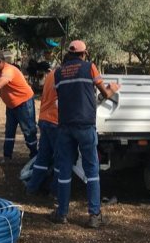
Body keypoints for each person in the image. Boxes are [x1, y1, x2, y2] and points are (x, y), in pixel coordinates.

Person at [50, 40, 120, 228]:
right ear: (84, 53)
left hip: (65, 126)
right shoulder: (90, 67)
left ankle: (62, 213)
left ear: (70, 54)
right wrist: (113, 88)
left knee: (64, 169)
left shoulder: (58, 72)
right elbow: (104, 94)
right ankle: (94, 216)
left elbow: (66, 95)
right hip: (85, 126)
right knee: (91, 170)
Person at [25, 68, 59, 195]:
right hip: (56, 121)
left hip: (44, 119)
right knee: (60, 159)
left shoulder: (51, 74)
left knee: (43, 156)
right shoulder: (64, 75)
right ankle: (54, 191)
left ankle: (32, 188)